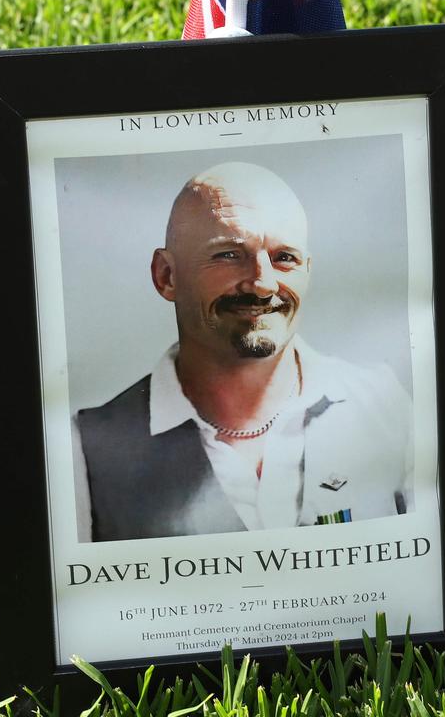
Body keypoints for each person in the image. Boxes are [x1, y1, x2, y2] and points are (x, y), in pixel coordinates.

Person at [72, 162, 413, 542]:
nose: (263, 283)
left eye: (285, 258)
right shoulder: (86, 451)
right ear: (166, 276)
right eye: (229, 255)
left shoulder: (384, 407)